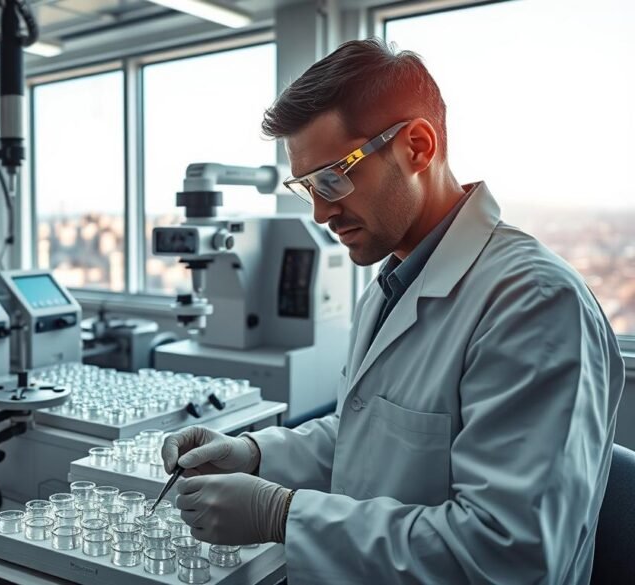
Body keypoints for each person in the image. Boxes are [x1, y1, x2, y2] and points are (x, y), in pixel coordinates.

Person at [162, 38, 624, 584]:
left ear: (417, 147)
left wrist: (282, 514)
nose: (319, 211)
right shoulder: (390, 284)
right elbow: (371, 436)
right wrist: (253, 453)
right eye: (307, 185)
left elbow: (509, 557)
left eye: (333, 177)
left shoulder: (533, 303)